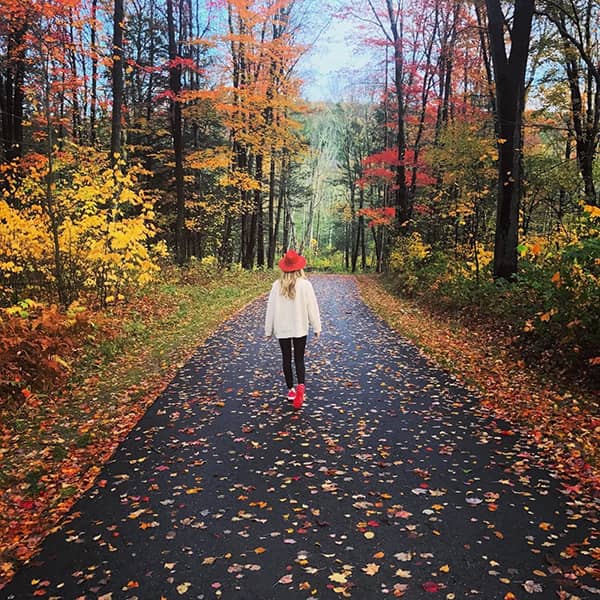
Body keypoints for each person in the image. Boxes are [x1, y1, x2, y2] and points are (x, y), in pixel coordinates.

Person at [264, 249, 321, 409]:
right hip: (300, 328)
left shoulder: (277, 286)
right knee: (299, 359)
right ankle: (301, 385)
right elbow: (312, 307)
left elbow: (271, 308)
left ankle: (291, 390)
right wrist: (316, 326)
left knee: (286, 359)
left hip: (283, 329)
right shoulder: (305, 285)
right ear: (299, 267)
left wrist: (269, 330)